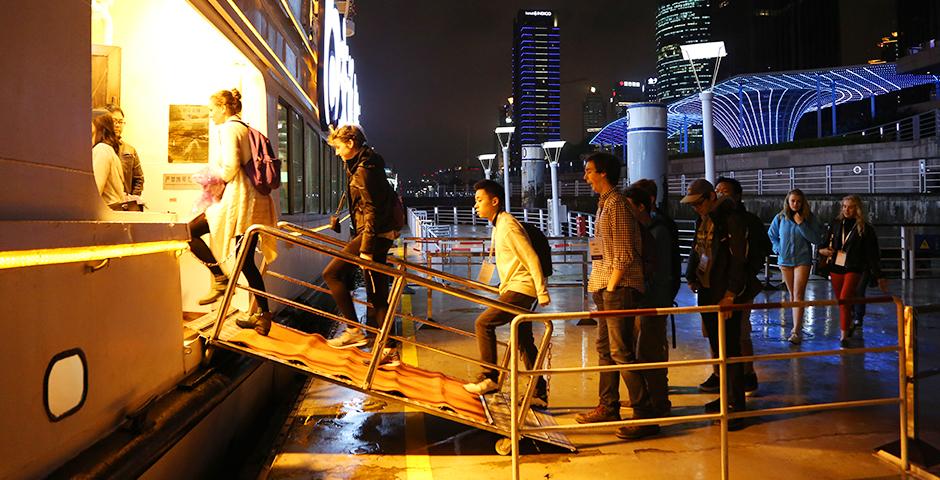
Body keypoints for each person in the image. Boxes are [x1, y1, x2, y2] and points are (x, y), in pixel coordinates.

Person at [573, 152, 655, 440]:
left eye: (589, 171)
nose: (586, 177)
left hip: (618, 289)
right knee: (606, 352)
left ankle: (645, 415)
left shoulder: (617, 205)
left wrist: (610, 289)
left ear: (604, 173)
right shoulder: (604, 204)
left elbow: (623, 253)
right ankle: (608, 406)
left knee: (621, 352)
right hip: (607, 287)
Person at [187, 89, 278, 335]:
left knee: (188, 232)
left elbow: (230, 165)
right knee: (246, 261)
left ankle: (220, 278)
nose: (210, 115)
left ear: (224, 108)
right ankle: (262, 315)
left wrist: (212, 182)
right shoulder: (245, 128)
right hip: (253, 202)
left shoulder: (228, 129)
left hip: (238, 200)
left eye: (212, 109)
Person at [462, 180, 551, 407]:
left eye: (480, 200)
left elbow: (530, 257)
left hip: (522, 288)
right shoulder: (499, 224)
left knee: (484, 323)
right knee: (523, 340)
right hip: (515, 286)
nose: (476, 206)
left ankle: (490, 377)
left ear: (495, 201)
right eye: (475, 201)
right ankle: (538, 393)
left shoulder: (508, 226)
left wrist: (541, 291)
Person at [683, 179, 761, 425]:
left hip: (724, 293)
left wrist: (731, 293)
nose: (696, 208)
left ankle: (736, 406)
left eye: (699, 203)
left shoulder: (731, 219)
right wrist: (692, 275)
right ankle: (726, 397)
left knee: (730, 348)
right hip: (707, 289)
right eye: (693, 205)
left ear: (710, 197)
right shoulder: (706, 219)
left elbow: (739, 259)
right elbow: (698, 249)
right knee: (719, 349)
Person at [323, 124, 402, 366]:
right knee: (376, 293)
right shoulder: (365, 164)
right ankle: (389, 350)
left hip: (374, 235)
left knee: (332, 274)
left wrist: (366, 249)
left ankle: (354, 331)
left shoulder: (364, 171)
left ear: (350, 143)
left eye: (338, 147)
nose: (336, 152)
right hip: (377, 234)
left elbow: (372, 211)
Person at [617, 185, 673, 439]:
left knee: (650, 352)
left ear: (641, 206)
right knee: (643, 351)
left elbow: (661, 270)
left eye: (629, 206)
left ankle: (658, 404)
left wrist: (652, 297)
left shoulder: (657, 232)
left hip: (652, 300)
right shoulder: (644, 229)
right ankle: (650, 400)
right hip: (643, 298)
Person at [818, 194, 888, 347]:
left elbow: (872, 254)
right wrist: (822, 250)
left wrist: (879, 275)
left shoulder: (865, 229)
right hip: (836, 266)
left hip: (854, 267)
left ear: (857, 209)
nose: (846, 210)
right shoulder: (836, 224)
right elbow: (824, 242)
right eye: (844, 206)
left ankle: (843, 336)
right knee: (842, 302)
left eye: (850, 207)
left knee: (844, 300)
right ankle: (848, 322)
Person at [767, 189, 825, 345]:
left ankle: (796, 331)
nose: (795, 204)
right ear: (788, 201)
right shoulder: (780, 218)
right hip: (785, 261)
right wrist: (777, 248)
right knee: (792, 295)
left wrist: (801, 224)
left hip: (802, 260)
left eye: (798, 201)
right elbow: (771, 235)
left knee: (798, 295)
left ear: (803, 202)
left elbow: (816, 238)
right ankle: (795, 326)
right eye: (792, 201)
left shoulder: (809, 218)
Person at [104, 104, 144, 197]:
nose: (117, 125)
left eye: (120, 122)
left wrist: (132, 200)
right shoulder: (99, 148)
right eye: (114, 121)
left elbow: (139, 179)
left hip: (124, 206)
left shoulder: (130, 150)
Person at [91, 113, 127, 207]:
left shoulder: (101, 149)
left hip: (106, 211)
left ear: (100, 130)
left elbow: (95, 191)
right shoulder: (109, 150)